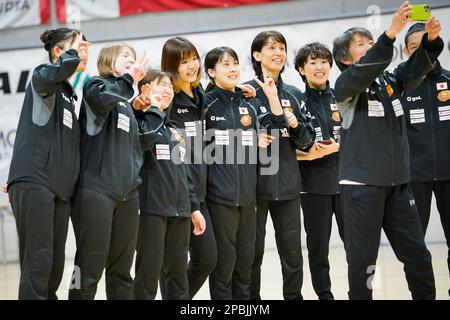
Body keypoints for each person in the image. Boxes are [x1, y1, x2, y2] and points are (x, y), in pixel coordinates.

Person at [332, 1, 442, 299]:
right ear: (345, 58)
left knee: (418, 256)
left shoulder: (391, 82)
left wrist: (430, 43)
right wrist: (391, 32)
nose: (369, 45)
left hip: (398, 185)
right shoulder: (345, 87)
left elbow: (415, 68)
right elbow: (367, 68)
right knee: (364, 263)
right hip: (362, 188)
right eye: (361, 44)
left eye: (371, 41)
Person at [6, 28, 90, 300]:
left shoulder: (69, 94)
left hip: (59, 191)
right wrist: (73, 56)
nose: (85, 51)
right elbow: (50, 75)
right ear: (58, 52)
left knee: (53, 269)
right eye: (79, 46)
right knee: (38, 264)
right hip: (36, 181)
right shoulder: (44, 77)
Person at [203, 46, 285, 299]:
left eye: (235, 63)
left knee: (245, 266)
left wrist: (271, 98)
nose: (233, 68)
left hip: (249, 198)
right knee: (224, 266)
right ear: (211, 72)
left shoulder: (249, 103)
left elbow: (277, 128)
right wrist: (247, 138)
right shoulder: (205, 104)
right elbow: (204, 147)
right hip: (219, 198)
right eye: (225, 64)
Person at [68, 43, 146, 300]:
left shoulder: (126, 103)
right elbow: (102, 102)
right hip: (96, 191)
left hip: (127, 195)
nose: (131, 60)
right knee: (89, 270)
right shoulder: (95, 85)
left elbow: (137, 147)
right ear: (109, 60)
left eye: (133, 57)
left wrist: (146, 108)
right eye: (125, 56)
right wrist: (129, 80)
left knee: (122, 273)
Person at [247, 30, 315, 300]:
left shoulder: (295, 94)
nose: (278, 53)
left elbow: (307, 143)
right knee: (253, 254)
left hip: (288, 185)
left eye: (282, 48)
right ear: (257, 55)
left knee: (292, 254)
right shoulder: (245, 93)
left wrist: (296, 125)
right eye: (271, 48)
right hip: (253, 188)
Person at [133, 70, 206, 300]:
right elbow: (143, 143)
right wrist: (152, 110)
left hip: (180, 211)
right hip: (151, 210)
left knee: (177, 275)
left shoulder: (174, 129)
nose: (166, 90)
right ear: (145, 90)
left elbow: (184, 172)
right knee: (148, 274)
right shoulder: (140, 122)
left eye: (168, 87)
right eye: (160, 85)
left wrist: (193, 207)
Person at [401, 22, 450, 296]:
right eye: (414, 48)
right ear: (407, 53)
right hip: (413, 179)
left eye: (426, 44)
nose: (422, 53)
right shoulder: (401, 90)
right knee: (414, 246)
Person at [294, 42, 345, 300]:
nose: (319, 67)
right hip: (313, 185)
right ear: (301, 69)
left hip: (348, 184)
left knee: (359, 246)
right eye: (312, 62)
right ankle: (324, 295)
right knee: (318, 248)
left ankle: (360, 291)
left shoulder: (343, 96)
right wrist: (310, 151)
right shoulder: (297, 101)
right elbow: (290, 146)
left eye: (323, 61)